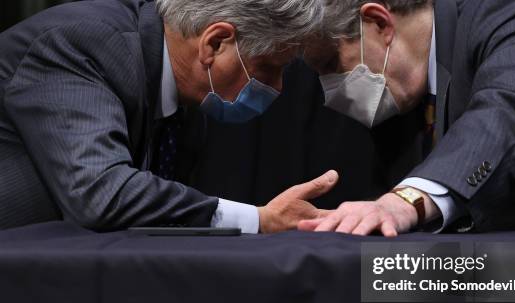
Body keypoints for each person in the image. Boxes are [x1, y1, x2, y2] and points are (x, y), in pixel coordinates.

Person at [0, 0, 338, 232]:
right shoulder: (81, 43)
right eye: (267, 67)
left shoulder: (187, 102)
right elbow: (102, 194)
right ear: (216, 43)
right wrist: (258, 219)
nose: (277, 87)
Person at [300, 0, 515, 236]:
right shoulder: (403, 91)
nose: (329, 89)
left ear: (379, 22)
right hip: (497, 283)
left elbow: (506, 114)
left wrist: (403, 202)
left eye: (330, 62)